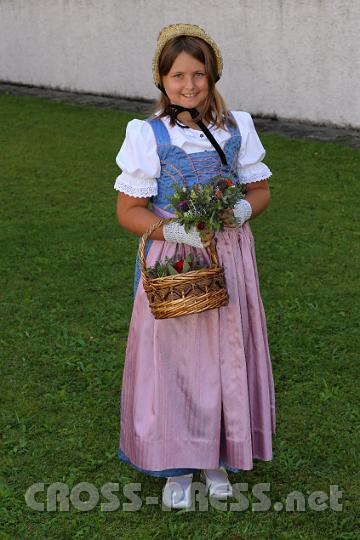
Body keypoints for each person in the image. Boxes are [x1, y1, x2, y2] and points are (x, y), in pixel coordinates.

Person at [114, 23, 276, 509]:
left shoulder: (237, 126)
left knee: (227, 354)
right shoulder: (148, 135)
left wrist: (240, 211)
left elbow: (259, 190)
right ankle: (177, 466)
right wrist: (176, 230)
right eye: (178, 75)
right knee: (176, 361)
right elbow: (128, 210)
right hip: (174, 262)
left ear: (213, 76)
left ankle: (217, 458)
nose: (189, 85)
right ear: (162, 80)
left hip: (228, 257)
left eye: (199, 74)